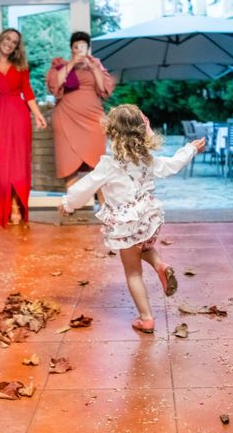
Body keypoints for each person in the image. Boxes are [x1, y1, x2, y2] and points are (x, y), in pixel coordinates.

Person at [60, 104, 205, 334]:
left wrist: (68, 204)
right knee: (144, 245)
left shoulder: (108, 165)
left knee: (133, 272)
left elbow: (85, 187)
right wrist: (190, 149)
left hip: (125, 224)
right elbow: (171, 165)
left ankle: (146, 318)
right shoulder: (146, 159)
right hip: (148, 218)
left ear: (113, 133)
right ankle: (160, 264)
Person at [0, 28, 47, 226]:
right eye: (7, 39)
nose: (10, 44)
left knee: (18, 165)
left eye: (14, 42)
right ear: (0, 40)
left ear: (16, 47)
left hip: (18, 115)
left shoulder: (21, 67)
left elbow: (28, 92)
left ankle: (15, 206)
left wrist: (38, 115)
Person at [46, 31, 115, 194]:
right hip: (66, 118)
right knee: (68, 163)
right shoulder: (61, 65)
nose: (79, 50)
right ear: (71, 49)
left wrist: (93, 68)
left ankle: (105, 208)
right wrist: (71, 64)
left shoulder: (96, 64)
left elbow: (105, 90)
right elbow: (54, 85)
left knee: (98, 165)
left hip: (93, 119)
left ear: (88, 49)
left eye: (82, 46)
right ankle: (71, 207)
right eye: (76, 47)